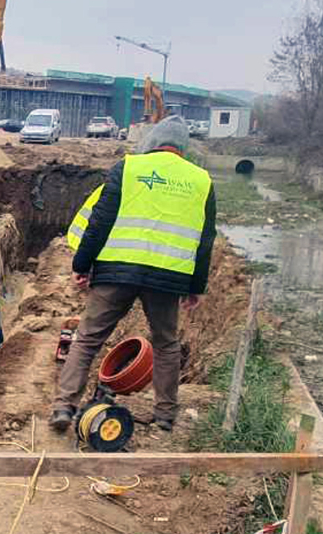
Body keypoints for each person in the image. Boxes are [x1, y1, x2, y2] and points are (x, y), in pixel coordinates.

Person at [51, 116, 216, 433]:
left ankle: (63, 407)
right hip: (168, 278)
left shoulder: (128, 168)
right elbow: (205, 238)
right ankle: (166, 415)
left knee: (86, 340)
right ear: (184, 149)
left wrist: (81, 265)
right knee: (166, 345)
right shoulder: (201, 181)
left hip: (116, 272)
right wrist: (196, 286)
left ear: (152, 143)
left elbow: (99, 221)